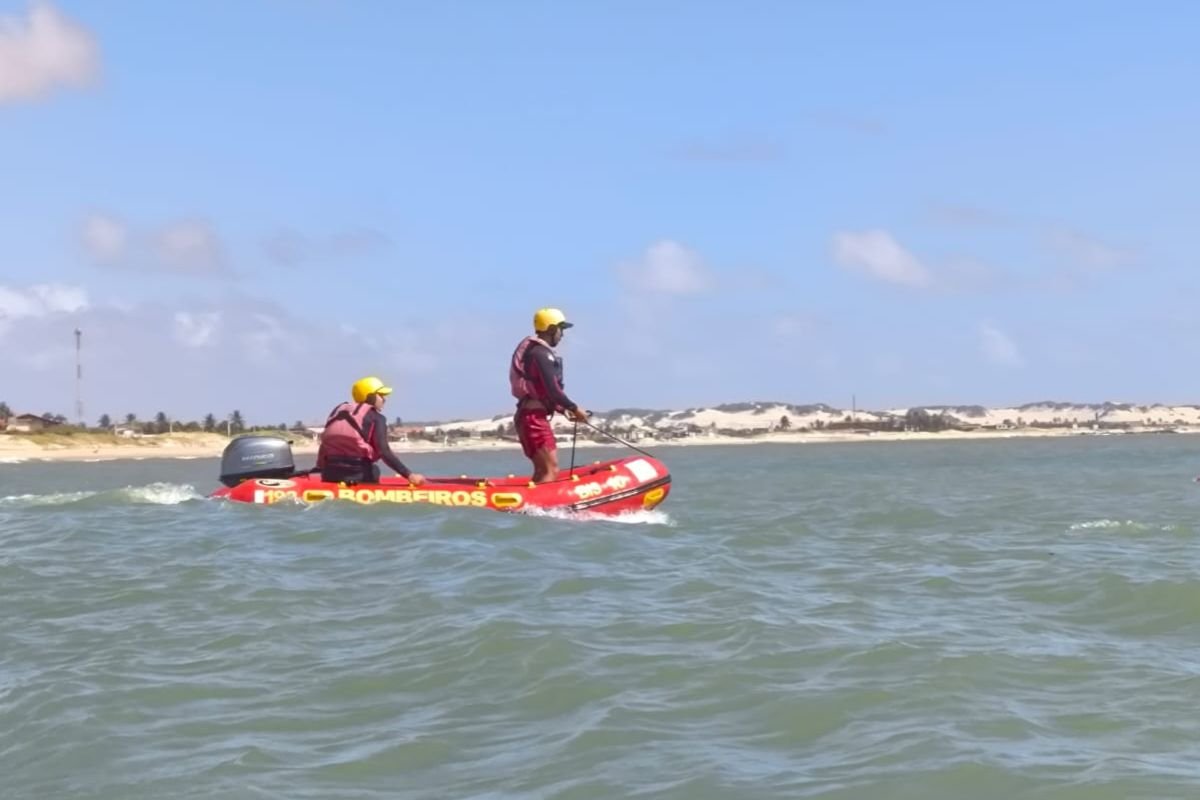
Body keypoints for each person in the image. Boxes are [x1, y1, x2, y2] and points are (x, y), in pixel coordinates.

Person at [509, 307, 589, 483]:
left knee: (542, 470)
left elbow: (545, 392)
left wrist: (563, 410)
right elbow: (553, 390)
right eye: (561, 330)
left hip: (527, 417)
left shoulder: (535, 352)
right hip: (534, 419)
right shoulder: (540, 353)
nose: (562, 335)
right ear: (552, 329)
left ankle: (533, 506)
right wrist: (574, 408)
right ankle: (546, 509)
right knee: (550, 469)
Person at [316, 376, 426, 485]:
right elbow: (384, 452)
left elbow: (325, 445)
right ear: (371, 397)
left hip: (329, 474)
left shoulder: (337, 413)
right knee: (375, 470)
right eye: (381, 395)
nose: (384, 399)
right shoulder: (377, 418)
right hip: (358, 475)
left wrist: (320, 468)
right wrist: (410, 475)